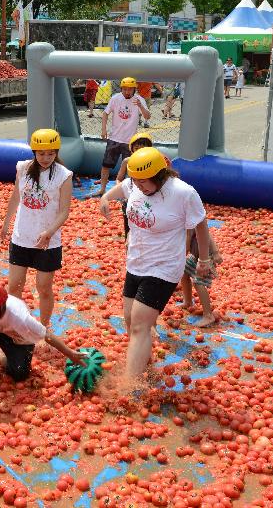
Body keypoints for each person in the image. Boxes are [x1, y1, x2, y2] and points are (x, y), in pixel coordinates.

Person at [99, 147, 212, 382]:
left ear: (160, 176)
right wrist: (105, 198)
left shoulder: (183, 193)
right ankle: (145, 367)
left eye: (144, 182)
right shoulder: (134, 184)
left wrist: (204, 258)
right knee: (130, 321)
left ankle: (130, 386)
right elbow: (122, 188)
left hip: (165, 266)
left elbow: (200, 224)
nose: (139, 186)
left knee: (140, 324)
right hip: (136, 261)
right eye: (136, 182)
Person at [0, 129, 73, 327]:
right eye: (41, 153)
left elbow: (64, 211)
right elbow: (16, 197)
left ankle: (43, 327)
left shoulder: (63, 175)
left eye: (51, 153)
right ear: (34, 151)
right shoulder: (23, 168)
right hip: (22, 236)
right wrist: (6, 224)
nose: (46, 158)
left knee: (44, 287)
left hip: (48, 242)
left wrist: (49, 232)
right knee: (14, 286)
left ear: (57, 152)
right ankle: (14, 324)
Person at [92, 77, 150, 197]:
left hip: (130, 141)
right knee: (106, 165)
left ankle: (128, 192)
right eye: (125, 89)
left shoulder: (139, 99)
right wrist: (103, 129)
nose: (127, 92)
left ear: (134, 89)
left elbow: (147, 116)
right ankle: (102, 189)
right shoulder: (115, 98)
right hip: (114, 138)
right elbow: (105, 113)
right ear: (121, 89)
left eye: (130, 89)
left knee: (131, 167)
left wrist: (141, 106)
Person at [115, 132, 154, 241]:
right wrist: (122, 194)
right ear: (131, 149)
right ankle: (129, 246)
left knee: (147, 226)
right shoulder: (127, 161)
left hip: (147, 200)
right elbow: (119, 179)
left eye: (143, 148)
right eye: (137, 148)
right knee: (129, 226)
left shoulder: (153, 162)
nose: (140, 151)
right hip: (130, 199)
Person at [180, 228, 223, 327]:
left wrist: (216, 253)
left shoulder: (192, 218)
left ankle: (208, 315)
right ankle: (188, 301)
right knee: (184, 272)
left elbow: (206, 234)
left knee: (198, 282)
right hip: (195, 255)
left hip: (206, 258)